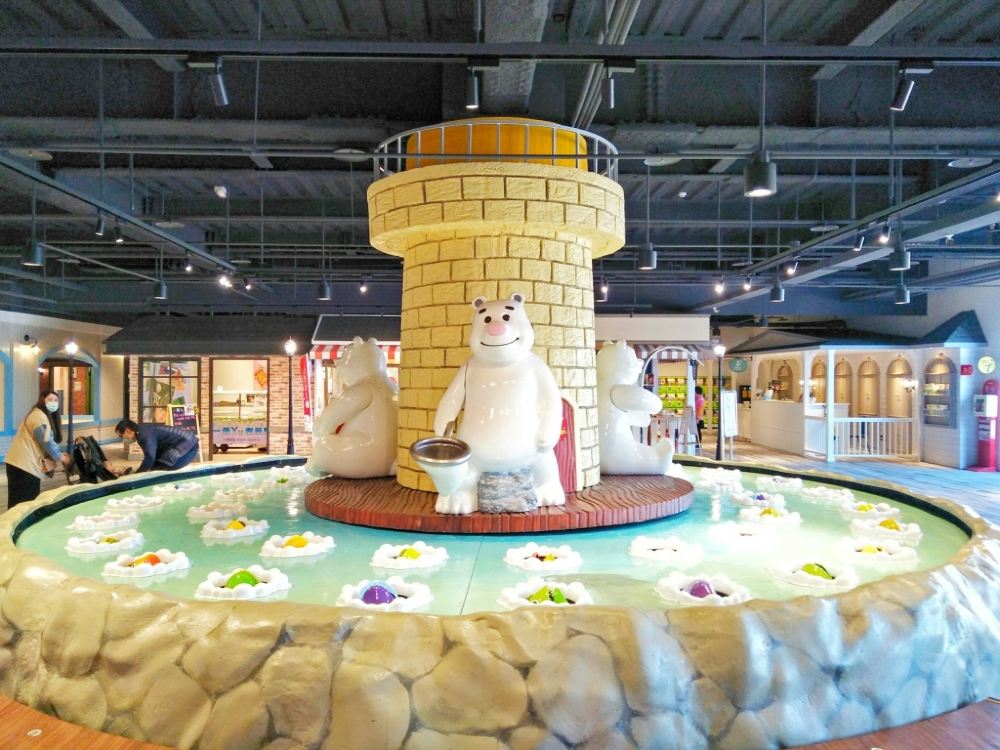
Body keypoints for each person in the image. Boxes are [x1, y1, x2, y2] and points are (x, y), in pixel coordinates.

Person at [5, 390, 72, 508]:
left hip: (19, 463)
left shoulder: (39, 415)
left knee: (17, 503)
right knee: (25, 504)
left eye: (56, 400)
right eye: (49, 400)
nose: (53, 402)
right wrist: (60, 456)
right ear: (42, 400)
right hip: (25, 466)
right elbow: (46, 441)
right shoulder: (38, 417)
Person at [115, 419, 199, 473]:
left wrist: (138, 474)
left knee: (166, 466)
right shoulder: (141, 431)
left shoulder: (144, 435)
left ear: (128, 431)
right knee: (156, 465)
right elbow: (152, 455)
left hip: (189, 446)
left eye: (121, 436)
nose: (123, 438)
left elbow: (150, 457)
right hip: (182, 443)